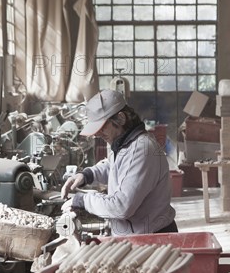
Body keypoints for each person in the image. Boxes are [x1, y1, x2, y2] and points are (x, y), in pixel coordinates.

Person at [61, 89, 177, 235]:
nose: (97, 134)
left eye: (102, 127)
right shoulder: (125, 143)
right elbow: (114, 166)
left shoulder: (141, 148)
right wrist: (87, 175)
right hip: (137, 235)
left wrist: (83, 200)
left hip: (153, 239)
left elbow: (121, 206)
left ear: (121, 119)